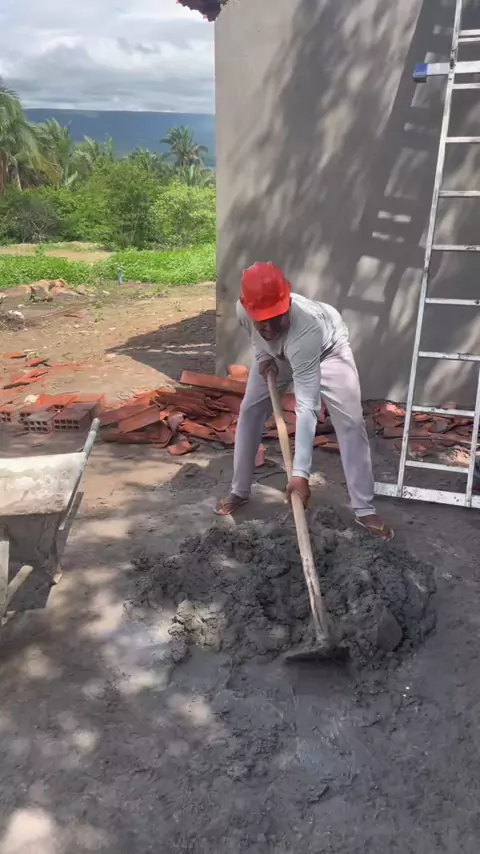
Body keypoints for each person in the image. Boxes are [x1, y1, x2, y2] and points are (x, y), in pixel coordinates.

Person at [215, 262, 393, 541]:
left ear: (287, 303)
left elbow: (307, 405)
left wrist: (300, 474)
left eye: (276, 318)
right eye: (262, 320)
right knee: (250, 411)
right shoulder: (243, 311)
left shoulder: (305, 330)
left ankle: (364, 507)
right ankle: (239, 490)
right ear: (246, 307)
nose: (269, 327)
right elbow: (256, 337)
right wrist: (263, 356)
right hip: (280, 356)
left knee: (350, 422)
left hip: (328, 351)